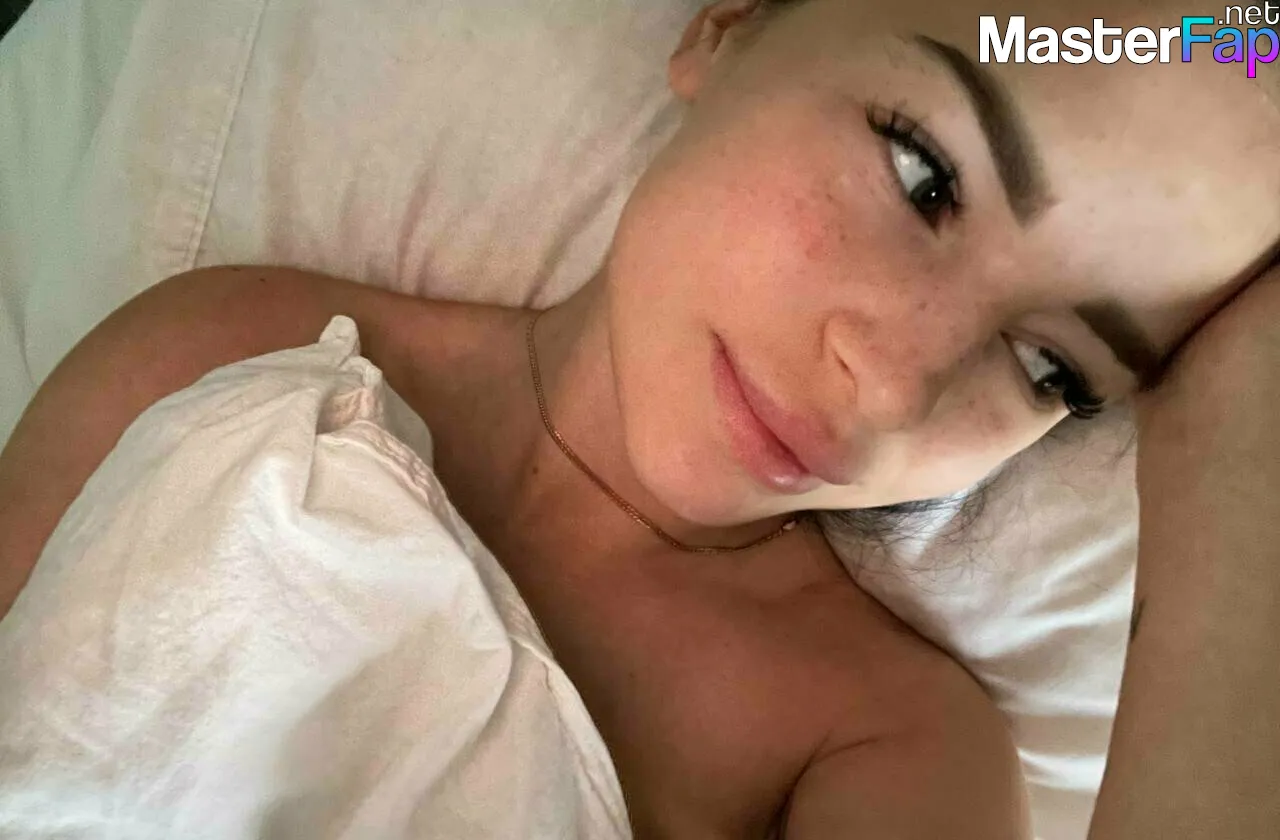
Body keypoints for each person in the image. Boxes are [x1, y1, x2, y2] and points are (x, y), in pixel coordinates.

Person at [1, 0, 1278, 837]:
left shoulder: (876, 744)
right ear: (728, 25)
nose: (893, 387)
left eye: (1050, 369)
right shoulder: (228, 346)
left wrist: (1242, 468)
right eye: (920, 176)